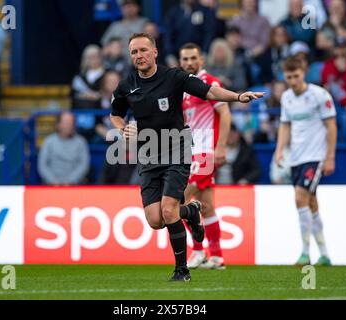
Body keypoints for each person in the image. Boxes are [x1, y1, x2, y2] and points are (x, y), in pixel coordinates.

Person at [110, 32, 263, 281]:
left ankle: (182, 270)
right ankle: (191, 212)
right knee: (155, 219)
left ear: (155, 52)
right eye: (134, 52)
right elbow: (115, 113)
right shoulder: (127, 85)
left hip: (177, 150)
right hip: (148, 155)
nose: (139, 56)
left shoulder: (173, 77)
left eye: (143, 50)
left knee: (169, 210)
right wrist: (122, 128)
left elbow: (210, 92)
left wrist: (237, 96)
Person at [275, 56, 337, 266]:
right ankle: (325, 254)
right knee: (311, 202)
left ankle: (304, 253)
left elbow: (331, 126)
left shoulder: (319, 95)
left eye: (296, 76)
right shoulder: (286, 98)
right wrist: (279, 150)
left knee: (299, 197)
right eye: (289, 77)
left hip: (315, 156)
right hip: (296, 157)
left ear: (304, 73)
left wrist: (329, 157)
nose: (293, 81)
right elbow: (285, 125)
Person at [179, 42, 232, 270]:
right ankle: (217, 257)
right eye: (185, 59)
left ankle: (198, 251)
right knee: (207, 206)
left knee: (178, 199)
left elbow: (225, 113)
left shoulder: (209, 83)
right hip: (192, 154)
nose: (189, 63)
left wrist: (220, 148)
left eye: (193, 58)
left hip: (206, 153)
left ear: (201, 60)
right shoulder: (183, 88)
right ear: (180, 62)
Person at [38, 111, 91, 186]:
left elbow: (83, 165)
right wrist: (53, 181)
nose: (69, 125)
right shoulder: (48, 141)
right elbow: (42, 165)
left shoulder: (81, 142)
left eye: (71, 122)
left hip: (75, 185)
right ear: (58, 125)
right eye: (66, 122)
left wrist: (70, 181)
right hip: (51, 185)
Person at [163, 0, 217, 68]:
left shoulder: (205, 11)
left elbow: (209, 34)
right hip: (178, 56)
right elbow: (168, 35)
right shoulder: (173, 12)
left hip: (199, 55)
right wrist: (169, 55)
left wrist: (204, 53)